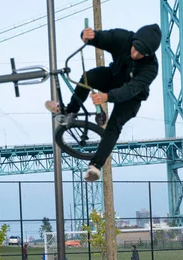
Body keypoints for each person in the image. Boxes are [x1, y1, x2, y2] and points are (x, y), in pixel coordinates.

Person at [45, 24, 162, 182]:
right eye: (134, 49)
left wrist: (107, 97)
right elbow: (101, 38)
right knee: (88, 77)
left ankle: (95, 166)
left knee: (114, 125)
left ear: (148, 54)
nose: (134, 54)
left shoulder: (151, 67)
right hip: (114, 78)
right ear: (133, 41)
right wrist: (87, 35)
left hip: (132, 97)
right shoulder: (123, 38)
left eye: (140, 54)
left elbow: (131, 89)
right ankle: (68, 112)